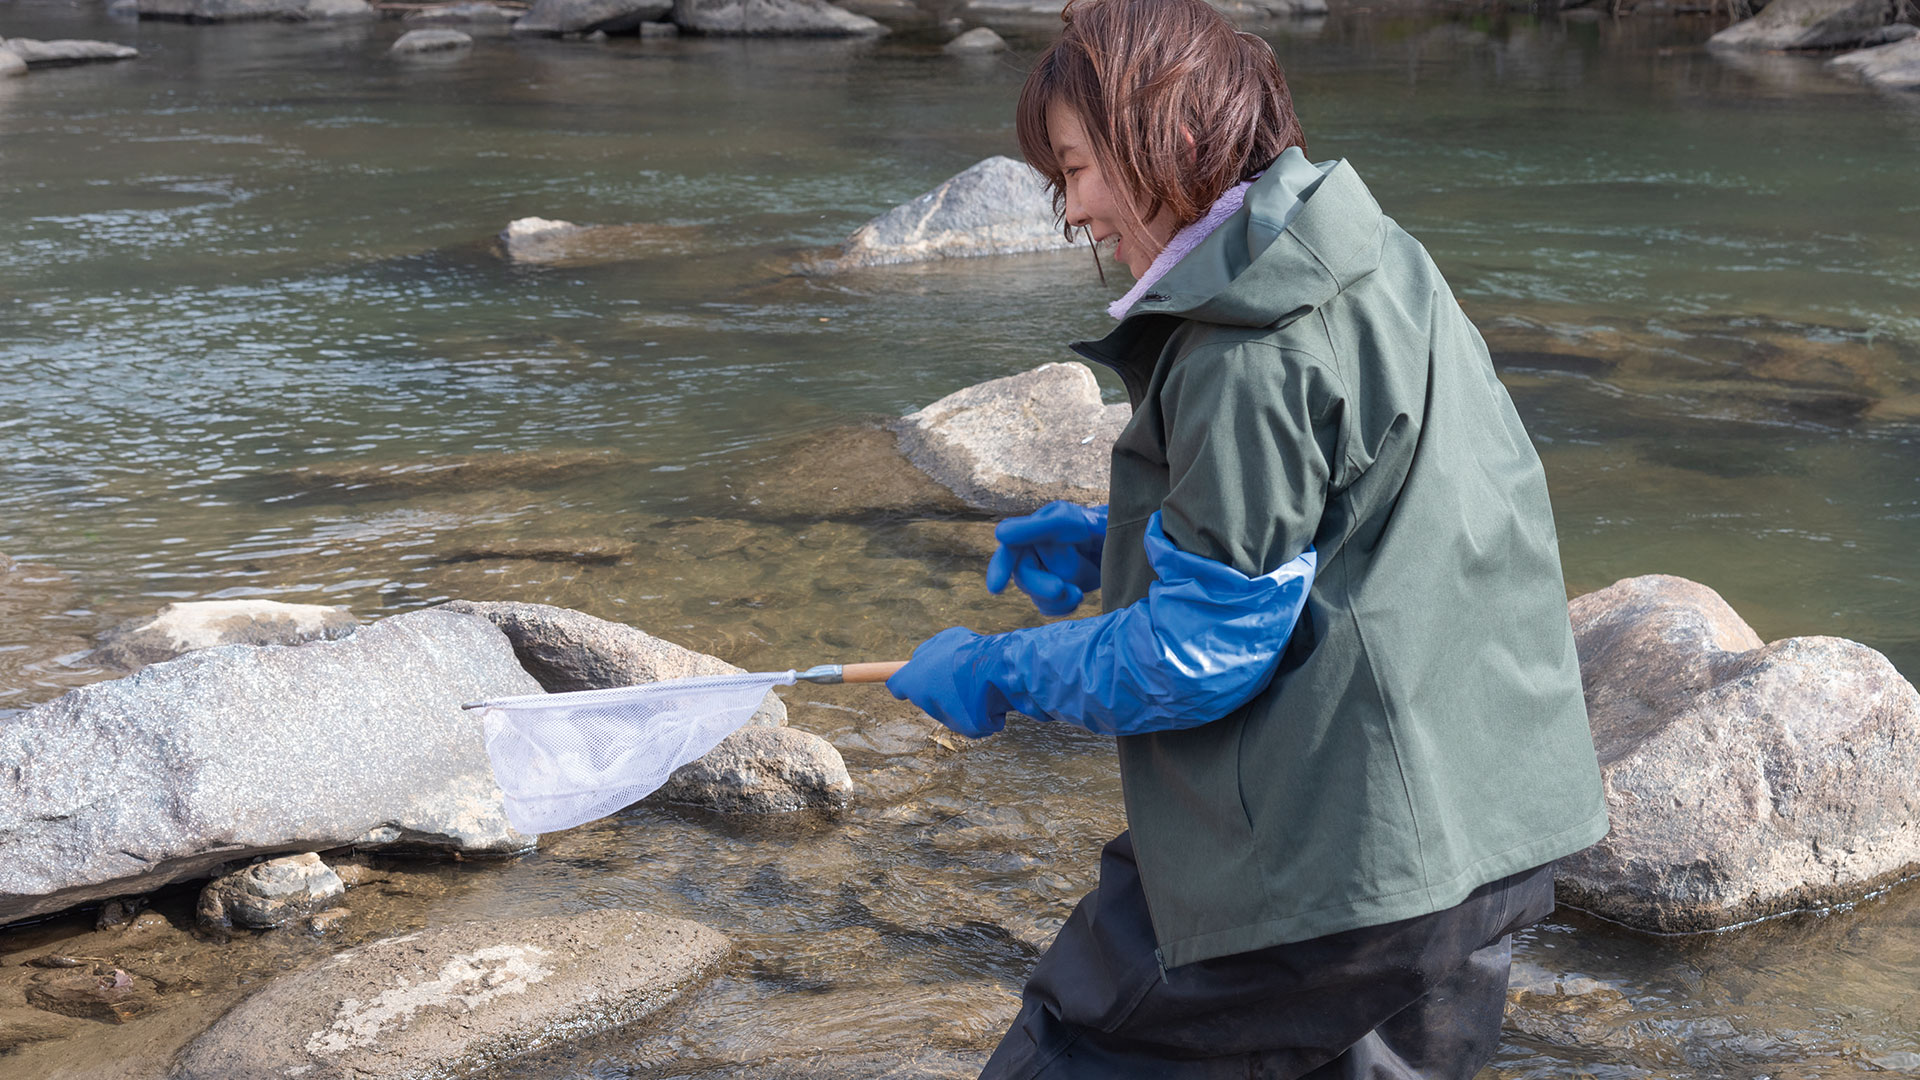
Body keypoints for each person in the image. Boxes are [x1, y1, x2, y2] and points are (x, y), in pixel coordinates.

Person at [885, 0, 1610, 1076]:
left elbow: (1197, 656)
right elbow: (1371, 509)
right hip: (1496, 836)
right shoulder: (1372, 259)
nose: (1073, 212)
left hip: (1338, 872)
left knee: (1077, 1042)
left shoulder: (1248, 343)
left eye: (1078, 171)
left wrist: (999, 671)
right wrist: (1113, 536)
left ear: (1171, 138)